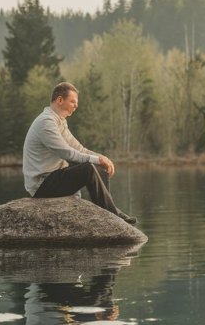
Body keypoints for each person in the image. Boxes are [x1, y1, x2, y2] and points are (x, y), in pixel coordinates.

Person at [22, 81, 137, 224]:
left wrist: (101, 158)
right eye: (73, 102)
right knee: (88, 168)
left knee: (98, 165)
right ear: (60, 100)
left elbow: (79, 149)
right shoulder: (46, 123)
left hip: (54, 178)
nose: (76, 106)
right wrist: (96, 160)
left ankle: (109, 210)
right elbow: (68, 154)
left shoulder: (59, 121)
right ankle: (111, 214)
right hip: (42, 185)